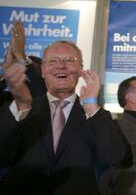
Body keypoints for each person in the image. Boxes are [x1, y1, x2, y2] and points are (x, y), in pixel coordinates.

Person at [0, 40, 127, 195]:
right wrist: (21, 106)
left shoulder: (94, 114)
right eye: (53, 60)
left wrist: (91, 106)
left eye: (69, 60)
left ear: (80, 68)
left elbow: (114, 156)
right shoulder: (21, 107)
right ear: (42, 70)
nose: (61, 65)